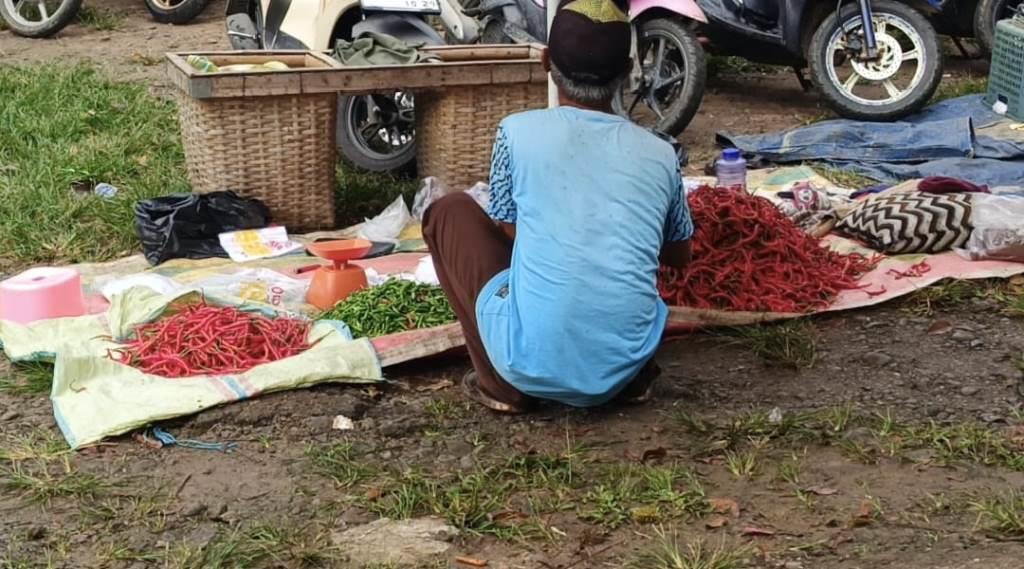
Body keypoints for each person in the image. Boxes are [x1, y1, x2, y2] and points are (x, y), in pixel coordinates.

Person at [422, 0, 693, 413]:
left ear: (546, 62)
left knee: (449, 211)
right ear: (626, 72)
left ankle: (502, 385)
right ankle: (633, 377)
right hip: (622, 368)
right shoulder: (660, 155)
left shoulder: (515, 133)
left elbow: (513, 234)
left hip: (528, 364)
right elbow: (678, 255)